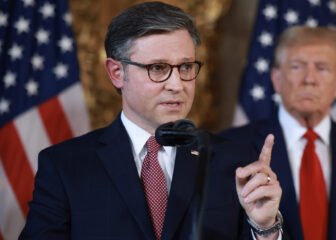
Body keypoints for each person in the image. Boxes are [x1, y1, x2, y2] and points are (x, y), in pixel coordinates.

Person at [19, 2, 283, 240]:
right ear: (116, 72)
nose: (177, 84)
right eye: (158, 68)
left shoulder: (232, 162)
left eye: (186, 67)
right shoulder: (65, 167)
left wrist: (265, 228)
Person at [221, 26, 336, 240]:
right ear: (276, 79)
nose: (309, 79)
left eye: (322, 68)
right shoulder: (230, 148)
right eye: (297, 67)